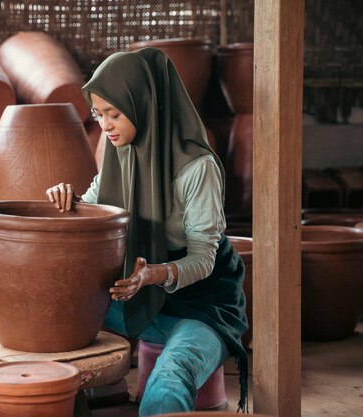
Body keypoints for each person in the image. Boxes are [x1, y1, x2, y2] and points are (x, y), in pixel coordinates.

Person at [46, 48, 248, 415]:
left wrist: (153, 274)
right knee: (52, 316)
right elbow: (95, 209)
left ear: (145, 104)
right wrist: (66, 199)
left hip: (202, 306)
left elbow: (203, 259)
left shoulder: (197, 168)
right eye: (98, 114)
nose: (105, 125)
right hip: (142, 299)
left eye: (114, 114)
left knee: (170, 379)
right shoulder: (119, 150)